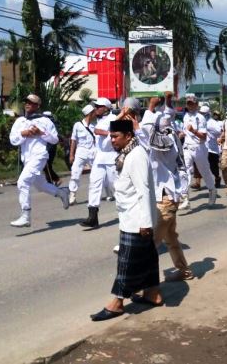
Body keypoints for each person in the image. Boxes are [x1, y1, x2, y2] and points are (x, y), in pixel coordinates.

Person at [90, 119, 161, 322]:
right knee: (147, 258)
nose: (112, 140)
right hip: (131, 216)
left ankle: (117, 303)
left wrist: (146, 222)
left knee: (126, 262)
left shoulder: (136, 156)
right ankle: (153, 294)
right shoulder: (127, 154)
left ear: (128, 136)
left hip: (136, 220)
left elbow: (143, 190)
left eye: (115, 136)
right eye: (111, 136)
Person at [140, 93, 194, 282]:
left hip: (166, 199)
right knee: (171, 238)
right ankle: (184, 271)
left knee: (150, 244)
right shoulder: (171, 136)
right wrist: (167, 102)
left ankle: (145, 285)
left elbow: (147, 129)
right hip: (169, 196)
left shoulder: (164, 142)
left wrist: (150, 106)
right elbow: (164, 119)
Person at [8, 94, 70, 228]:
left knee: (22, 182)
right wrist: (23, 134)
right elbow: (13, 140)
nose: (27, 104)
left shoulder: (45, 121)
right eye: (26, 102)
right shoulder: (20, 121)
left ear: (37, 105)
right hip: (27, 158)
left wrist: (40, 133)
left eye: (31, 102)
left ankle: (26, 215)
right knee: (41, 186)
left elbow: (54, 139)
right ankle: (62, 193)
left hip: (39, 156)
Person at [80, 98, 118, 228]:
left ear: (106, 108)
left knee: (115, 185)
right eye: (95, 106)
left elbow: (115, 134)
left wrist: (105, 132)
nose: (96, 108)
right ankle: (93, 216)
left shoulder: (114, 118)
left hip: (111, 156)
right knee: (94, 184)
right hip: (99, 156)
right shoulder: (99, 120)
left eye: (98, 106)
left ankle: (128, 210)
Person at [179, 94, 217, 209]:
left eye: (192, 103)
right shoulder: (186, 116)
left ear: (196, 104)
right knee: (184, 171)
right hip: (187, 147)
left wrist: (193, 131)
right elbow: (186, 131)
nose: (190, 106)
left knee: (204, 171)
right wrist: (182, 134)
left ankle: (212, 190)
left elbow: (204, 137)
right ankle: (185, 198)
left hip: (199, 147)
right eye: (188, 103)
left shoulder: (200, 118)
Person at [68, 105, 97, 205]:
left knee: (97, 172)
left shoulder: (94, 125)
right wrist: (71, 155)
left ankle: (107, 192)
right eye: (94, 112)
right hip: (81, 151)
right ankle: (72, 195)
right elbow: (73, 140)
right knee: (75, 172)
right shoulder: (77, 125)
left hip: (93, 151)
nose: (95, 114)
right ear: (90, 113)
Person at [201, 105, 224, 188]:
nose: (202, 115)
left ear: (208, 114)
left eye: (204, 113)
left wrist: (220, 138)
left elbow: (221, 131)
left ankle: (217, 177)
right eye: (201, 113)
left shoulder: (212, 123)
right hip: (203, 147)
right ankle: (208, 182)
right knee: (204, 166)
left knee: (213, 167)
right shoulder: (199, 121)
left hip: (212, 148)